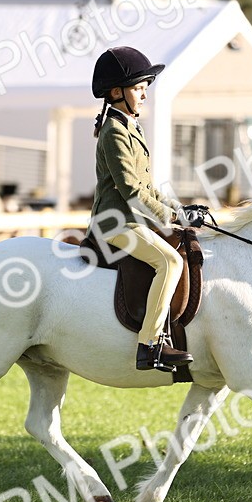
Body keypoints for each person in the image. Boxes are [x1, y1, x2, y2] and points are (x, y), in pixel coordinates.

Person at [88, 46, 205, 372]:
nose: (144, 95)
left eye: (144, 89)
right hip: (114, 224)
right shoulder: (113, 132)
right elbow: (131, 191)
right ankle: (149, 345)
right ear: (116, 92)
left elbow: (150, 188)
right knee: (168, 262)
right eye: (138, 89)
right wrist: (169, 216)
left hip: (132, 221)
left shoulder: (129, 127)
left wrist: (180, 209)